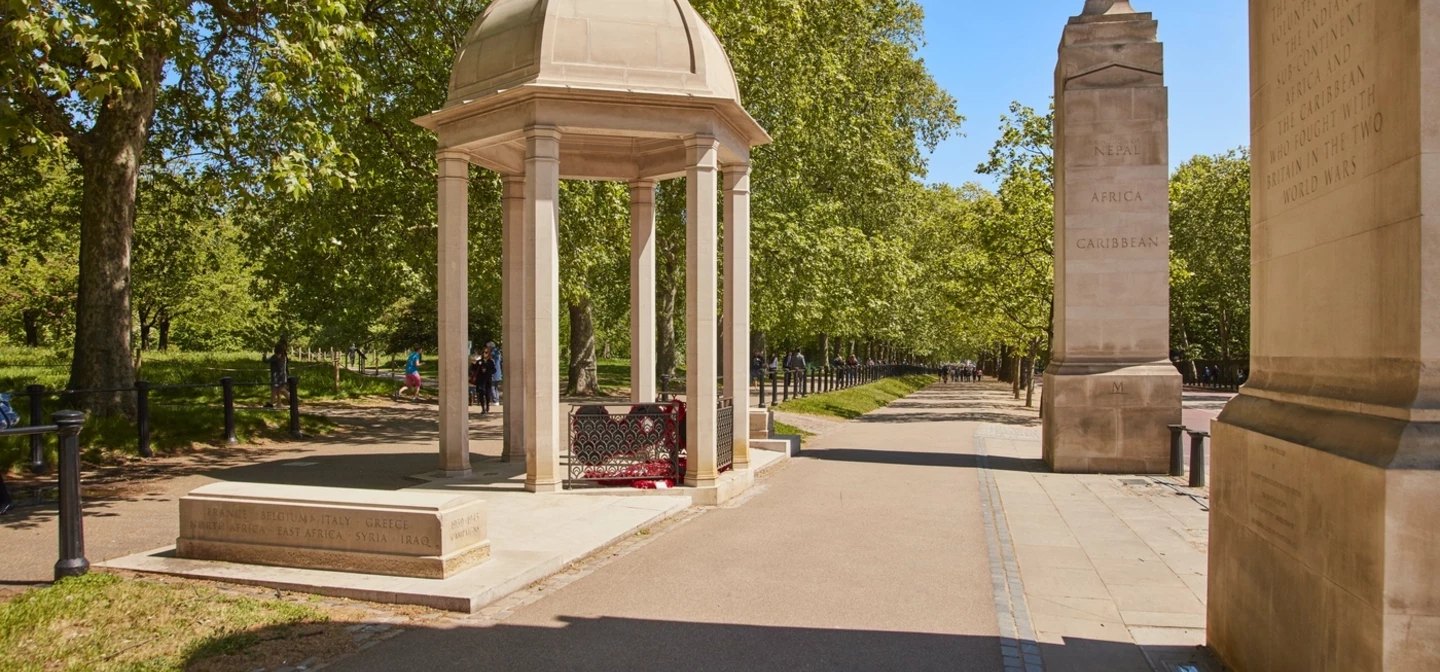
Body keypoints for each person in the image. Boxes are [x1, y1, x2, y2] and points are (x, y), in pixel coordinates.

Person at [264, 340, 289, 409]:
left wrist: (264, 355)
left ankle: (271, 403)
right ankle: (279, 404)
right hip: (282, 376)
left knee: (278, 390)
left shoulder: (275, 357)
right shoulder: (283, 357)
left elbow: (265, 361)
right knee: (279, 391)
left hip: (276, 377)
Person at [478, 349, 498, 414]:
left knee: (487, 394)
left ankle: (487, 407)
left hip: (488, 380)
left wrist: (487, 371)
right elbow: (474, 369)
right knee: (481, 394)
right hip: (481, 380)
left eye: (486, 352)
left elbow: (494, 370)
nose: (484, 353)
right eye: (483, 352)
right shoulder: (479, 362)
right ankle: (483, 408)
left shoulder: (491, 362)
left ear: (488, 354)